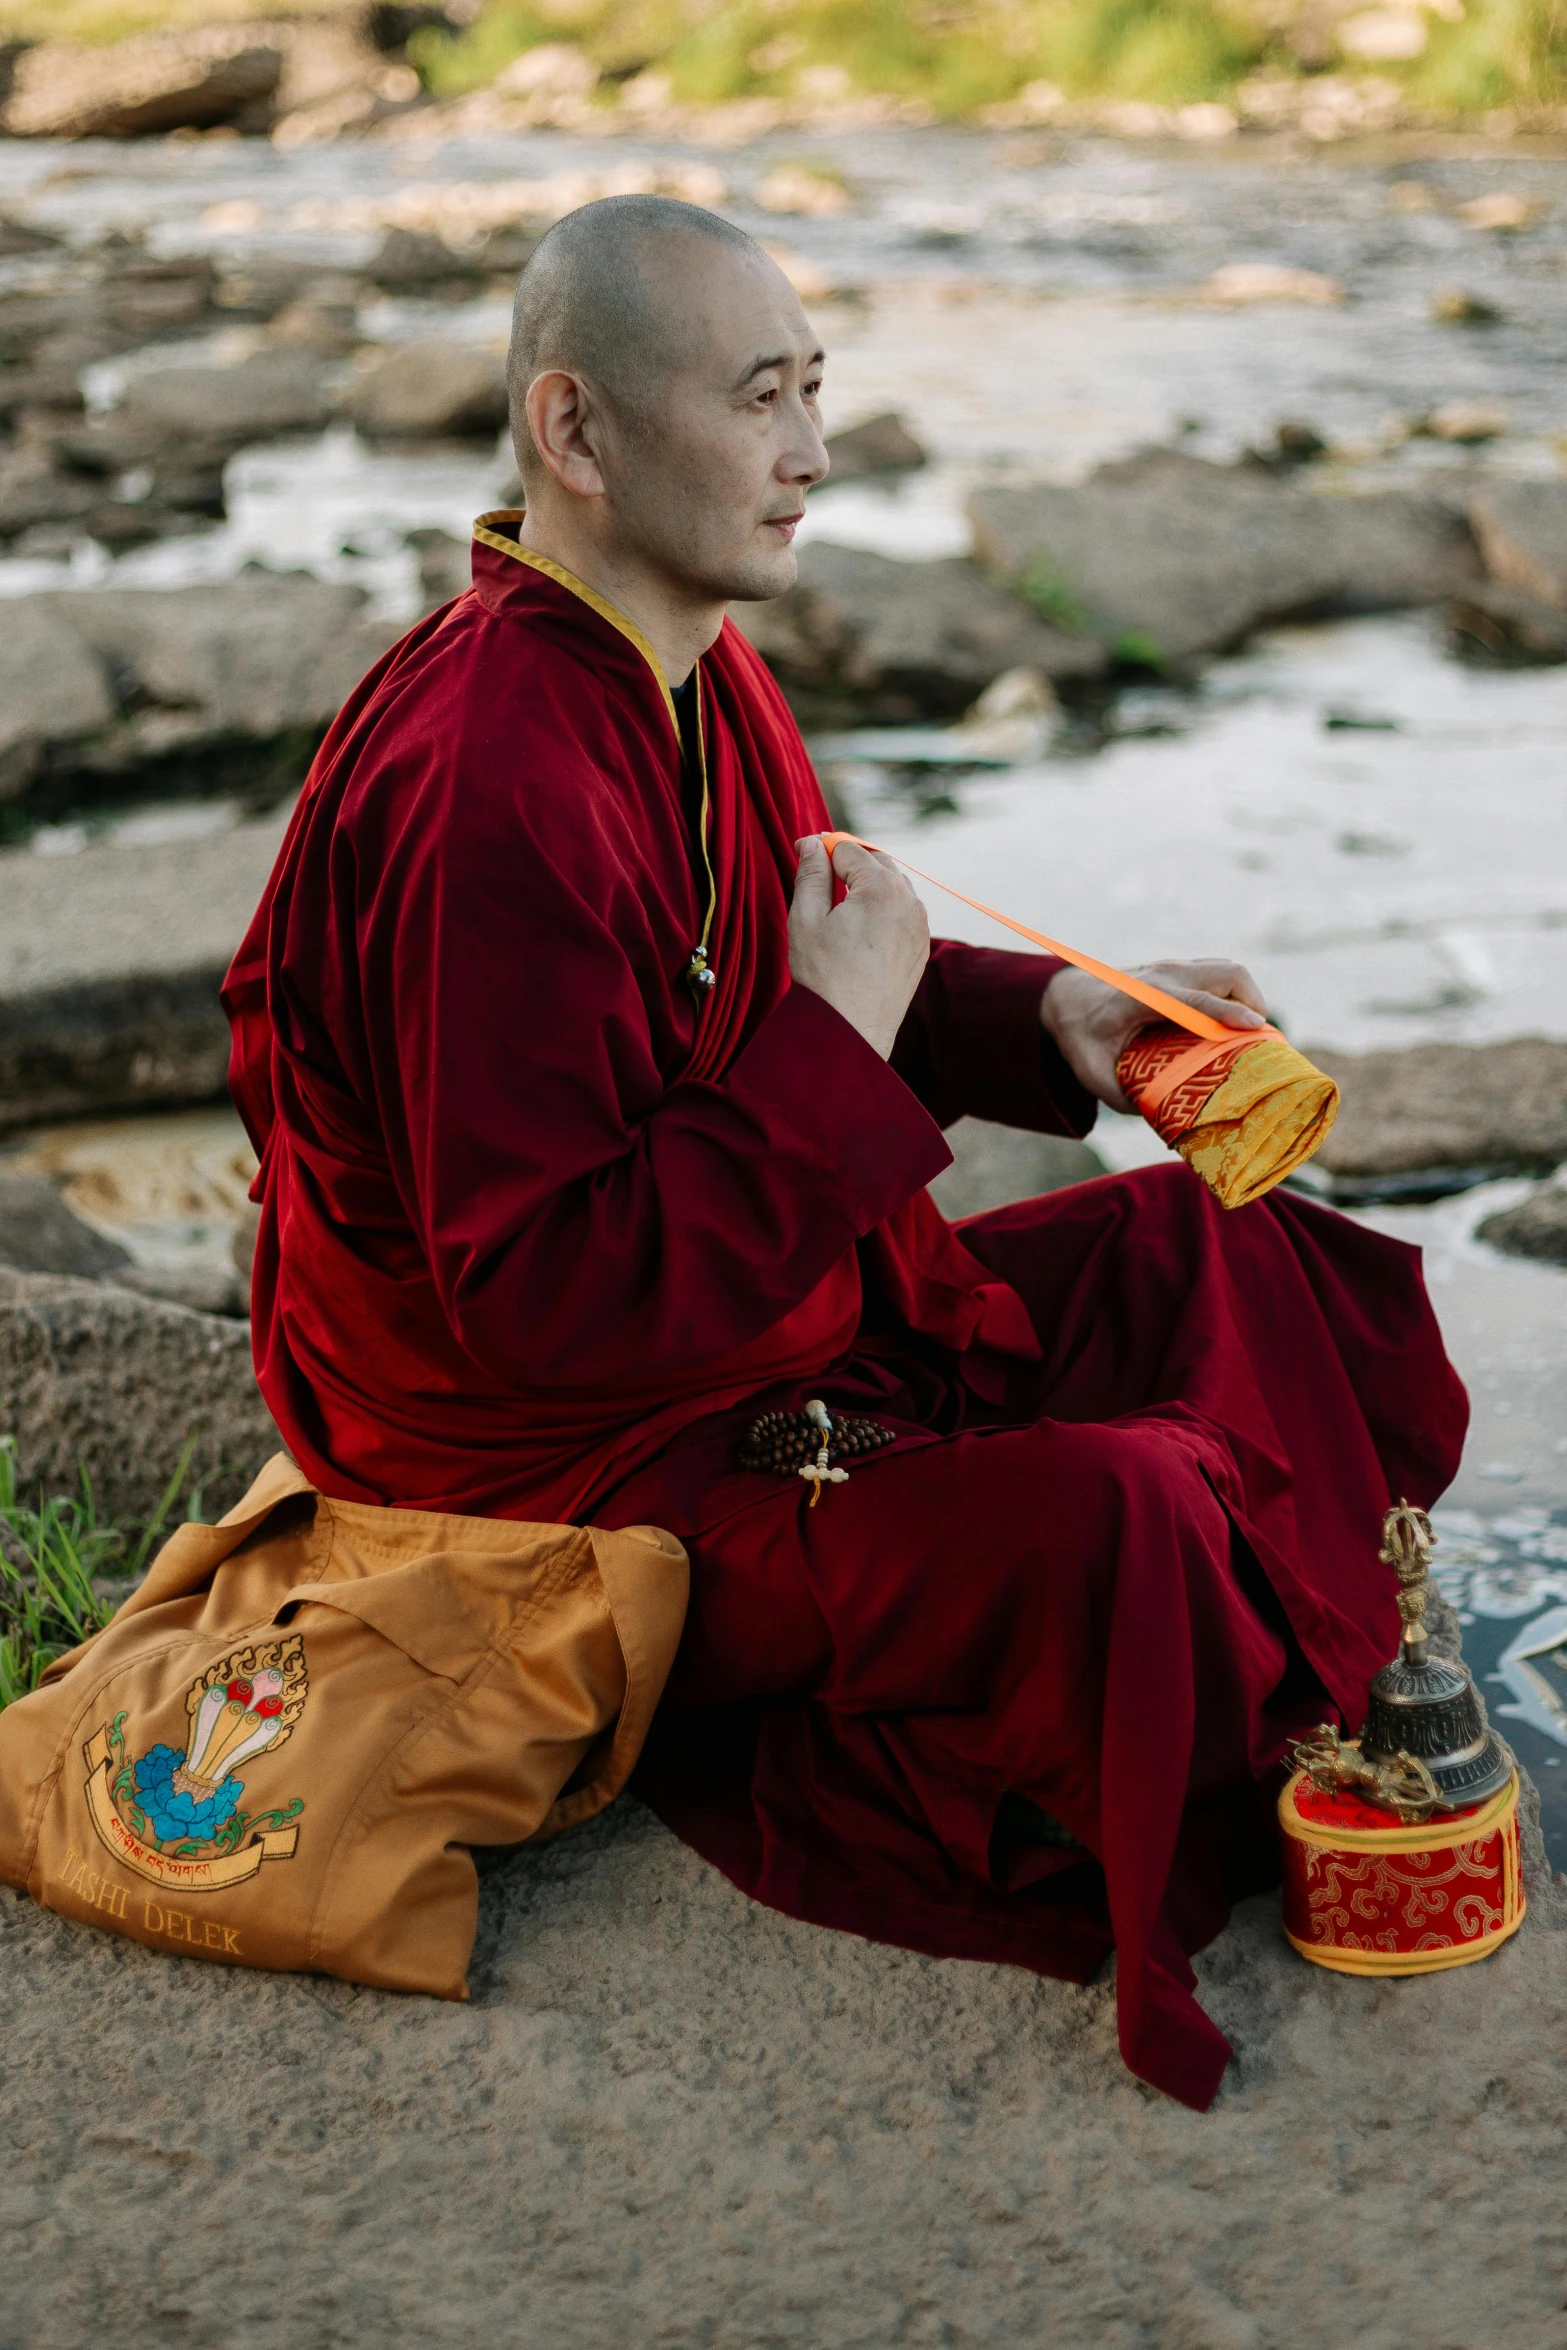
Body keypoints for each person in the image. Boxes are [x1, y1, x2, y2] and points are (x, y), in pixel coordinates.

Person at [224, 196, 1467, 2108]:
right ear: (578, 433)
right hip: (567, 1461)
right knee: (1116, 1512)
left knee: (1222, 1245)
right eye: (758, 400)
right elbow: (545, 1296)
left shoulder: (685, 660)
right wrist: (841, 1038)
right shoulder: (493, 777)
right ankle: (1250, 1683)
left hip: (736, 1316)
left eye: (816, 389)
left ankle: (1284, 1663)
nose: (814, 453)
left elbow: (790, 981)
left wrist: (1044, 1018)